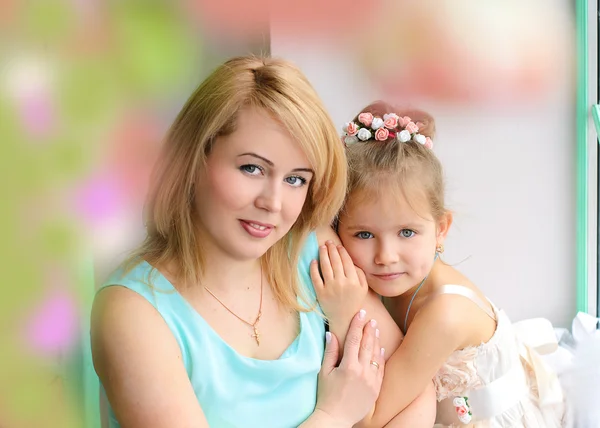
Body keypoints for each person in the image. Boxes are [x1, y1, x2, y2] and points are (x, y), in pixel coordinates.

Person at [90, 57, 432, 428]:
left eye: (296, 179)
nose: (273, 203)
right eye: (252, 168)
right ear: (192, 161)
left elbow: (414, 391)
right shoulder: (133, 312)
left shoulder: (309, 251)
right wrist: (333, 415)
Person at [312, 100, 569, 427]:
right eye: (364, 234)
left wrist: (344, 311)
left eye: (406, 232)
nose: (386, 255)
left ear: (441, 229)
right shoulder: (393, 279)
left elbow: (370, 418)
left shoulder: (445, 315)